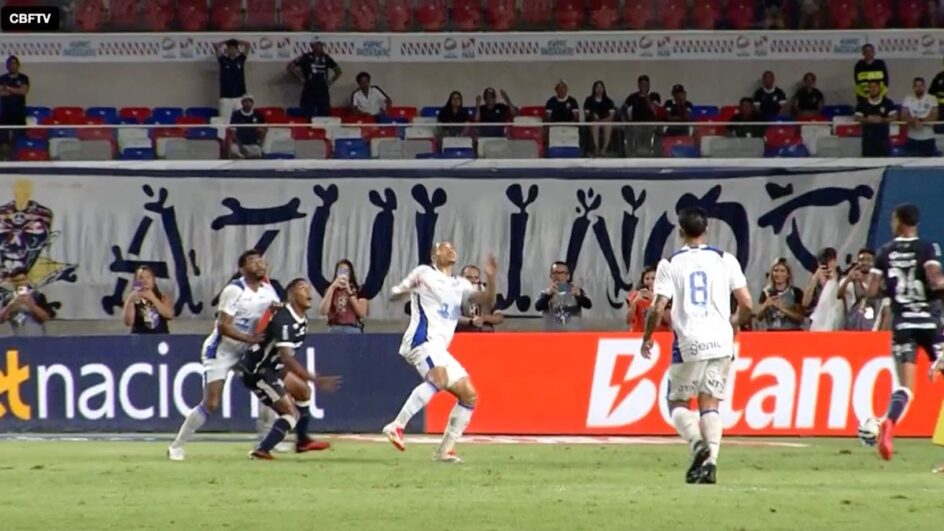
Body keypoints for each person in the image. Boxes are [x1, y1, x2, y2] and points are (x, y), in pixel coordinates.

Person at [641, 207, 754, 485]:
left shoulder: (670, 263)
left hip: (690, 340)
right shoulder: (725, 259)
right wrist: (735, 322)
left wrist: (648, 336)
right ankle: (711, 463)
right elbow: (748, 304)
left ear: (680, 232)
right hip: (721, 341)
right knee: (710, 404)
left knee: (677, 401)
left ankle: (696, 444)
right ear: (707, 230)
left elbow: (657, 308)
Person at [382, 243, 498, 463]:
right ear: (434, 255)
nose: (451, 250)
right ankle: (396, 426)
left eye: (453, 248)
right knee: (440, 378)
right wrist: (406, 289)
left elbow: (487, 301)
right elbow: (394, 296)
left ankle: (444, 450)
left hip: (439, 348)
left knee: (469, 395)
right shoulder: (424, 273)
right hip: (422, 340)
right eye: (444, 248)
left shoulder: (459, 284)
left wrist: (491, 278)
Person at [168, 249, 280, 461]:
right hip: (222, 350)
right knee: (211, 403)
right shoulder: (234, 290)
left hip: (247, 350)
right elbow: (223, 327)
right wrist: (251, 339)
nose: (259, 264)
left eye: (260, 261)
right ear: (242, 268)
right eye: (252, 261)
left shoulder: (268, 290)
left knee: (268, 388)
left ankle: (266, 441)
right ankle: (177, 445)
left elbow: (275, 313)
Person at [866, 204, 944, 462]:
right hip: (931, 324)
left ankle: (889, 422)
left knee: (907, 388)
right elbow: (935, 281)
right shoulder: (927, 248)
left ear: (899, 222)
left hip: (902, 325)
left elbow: (871, 291)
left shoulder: (884, 252)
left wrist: (893, 289)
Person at [240, 278, 341, 459]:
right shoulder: (284, 319)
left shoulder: (302, 319)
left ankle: (302, 442)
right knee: (290, 414)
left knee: (303, 391)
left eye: (309, 288)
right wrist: (314, 379)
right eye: (302, 288)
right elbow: (287, 359)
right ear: (292, 295)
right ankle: (261, 450)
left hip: (273, 367)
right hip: (258, 371)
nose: (308, 292)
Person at [287, 40, 342, 119]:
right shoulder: (305, 57)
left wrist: (331, 81)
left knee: (324, 111)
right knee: (307, 111)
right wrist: (300, 79)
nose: (319, 47)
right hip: (309, 88)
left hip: (322, 89)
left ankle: (323, 129)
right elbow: (290, 67)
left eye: (321, 45)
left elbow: (338, 71)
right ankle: (308, 129)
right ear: (312, 46)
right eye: (317, 45)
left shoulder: (326, 58)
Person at [535, 261, 592, 331]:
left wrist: (579, 296)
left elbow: (588, 305)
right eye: (555, 273)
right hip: (552, 333)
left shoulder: (576, 290)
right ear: (550, 275)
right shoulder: (546, 292)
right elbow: (538, 307)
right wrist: (548, 296)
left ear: (568, 276)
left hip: (573, 332)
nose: (558, 276)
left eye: (561, 273)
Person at [0, 267, 53, 336]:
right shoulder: (8, 298)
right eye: (16, 281)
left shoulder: (37, 296)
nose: (20, 283)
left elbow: (46, 318)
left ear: (27, 280)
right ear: (12, 282)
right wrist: (10, 306)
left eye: (23, 280)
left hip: (37, 339)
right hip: (17, 339)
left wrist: (31, 305)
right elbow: (1, 320)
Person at [318, 259, 368, 333]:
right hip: (335, 327)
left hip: (352, 328)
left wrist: (349, 291)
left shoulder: (359, 290)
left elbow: (362, 313)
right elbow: (323, 311)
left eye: (346, 271)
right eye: (340, 271)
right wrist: (332, 287)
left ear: (350, 274)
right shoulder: (331, 289)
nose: (343, 274)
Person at [837, 248, 880, 331]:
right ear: (857, 262)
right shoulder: (849, 281)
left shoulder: (877, 283)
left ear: (874, 263)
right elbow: (839, 295)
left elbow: (873, 298)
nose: (865, 263)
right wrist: (848, 279)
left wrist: (860, 282)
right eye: (861, 260)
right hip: (851, 326)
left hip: (871, 327)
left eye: (869, 260)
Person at [121, 265, 174, 334]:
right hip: (139, 338)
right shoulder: (131, 299)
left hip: (160, 337)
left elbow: (169, 315)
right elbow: (128, 322)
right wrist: (130, 302)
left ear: (153, 280)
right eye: (141, 277)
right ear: (136, 282)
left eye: (148, 277)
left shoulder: (163, 297)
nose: (145, 280)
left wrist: (153, 298)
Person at [755, 258, 804, 331]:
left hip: (792, 333)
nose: (779, 274)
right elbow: (758, 317)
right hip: (772, 333)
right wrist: (765, 306)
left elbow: (800, 318)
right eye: (776, 270)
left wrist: (782, 308)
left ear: (788, 274)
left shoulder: (796, 292)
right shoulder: (765, 292)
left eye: (782, 271)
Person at [802, 247, 845, 331]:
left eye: (829, 260)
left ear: (835, 261)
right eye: (823, 261)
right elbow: (805, 303)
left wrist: (834, 280)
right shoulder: (815, 280)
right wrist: (815, 278)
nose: (827, 264)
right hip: (818, 324)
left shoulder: (842, 278)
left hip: (837, 323)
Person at [854, 80, 896, 158]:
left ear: (879, 88)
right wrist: (867, 120)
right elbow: (857, 117)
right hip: (868, 142)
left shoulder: (887, 102)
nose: (873, 89)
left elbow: (894, 116)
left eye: (875, 86)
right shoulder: (862, 104)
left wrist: (882, 120)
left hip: (883, 142)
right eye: (871, 87)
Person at [455, 265, 504, 332]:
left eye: (476, 277)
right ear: (461, 277)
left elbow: (499, 318)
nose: (473, 280)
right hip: (463, 335)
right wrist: (471, 321)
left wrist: (485, 318)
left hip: (485, 335)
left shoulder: (487, 292)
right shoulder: (454, 293)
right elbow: (452, 317)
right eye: (469, 277)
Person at [623, 74, 662, 157]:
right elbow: (623, 110)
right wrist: (627, 123)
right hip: (636, 124)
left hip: (650, 124)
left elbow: (653, 109)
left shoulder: (654, 96)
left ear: (649, 85)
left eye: (646, 84)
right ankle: (636, 153)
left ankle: (648, 153)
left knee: (651, 132)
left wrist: (646, 96)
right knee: (634, 133)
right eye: (642, 84)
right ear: (638, 85)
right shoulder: (632, 97)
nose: (644, 86)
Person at [900, 77, 939, 157]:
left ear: (924, 87)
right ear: (913, 87)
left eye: (921, 86)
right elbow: (903, 116)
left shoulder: (932, 98)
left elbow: (934, 116)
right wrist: (913, 121)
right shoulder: (907, 99)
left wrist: (920, 120)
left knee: (929, 166)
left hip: (928, 138)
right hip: (912, 139)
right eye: (916, 86)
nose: (919, 88)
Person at [0, 56, 30, 158]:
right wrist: (15, 90)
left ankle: (18, 159)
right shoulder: (2, 78)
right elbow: (2, 93)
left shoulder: (23, 78)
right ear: (7, 66)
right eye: (10, 64)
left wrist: (7, 88)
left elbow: (23, 91)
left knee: (19, 139)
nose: (12, 66)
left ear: (18, 65)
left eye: (14, 63)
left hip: (19, 114)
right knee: (3, 140)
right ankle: (4, 159)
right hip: (5, 114)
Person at [215, 39, 250, 124]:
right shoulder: (223, 60)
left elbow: (248, 45)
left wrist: (236, 41)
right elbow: (216, 46)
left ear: (237, 49)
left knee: (241, 120)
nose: (232, 50)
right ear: (227, 50)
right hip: (226, 97)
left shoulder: (240, 60)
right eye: (230, 48)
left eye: (234, 48)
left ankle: (240, 137)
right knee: (225, 121)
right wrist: (226, 41)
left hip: (239, 96)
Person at [626, 266, 669, 333]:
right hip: (639, 334)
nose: (650, 281)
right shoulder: (635, 295)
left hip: (661, 336)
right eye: (647, 279)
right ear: (643, 280)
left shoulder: (666, 294)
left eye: (653, 278)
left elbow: (667, 320)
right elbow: (628, 320)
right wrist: (634, 302)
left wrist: (654, 300)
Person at [583, 80, 616, 156]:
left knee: (608, 125)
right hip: (593, 122)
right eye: (597, 87)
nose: (599, 89)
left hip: (605, 121)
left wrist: (602, 120)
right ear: (594, 89)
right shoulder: (589, 100)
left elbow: (611, 116)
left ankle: (604, 148)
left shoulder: (608, 101)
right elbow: (587, 114)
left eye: (601, 87)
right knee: (595, 125)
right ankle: (596, 148)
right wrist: (594, 118)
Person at [228, 94, 265, 159]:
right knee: (234, 151)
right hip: (239, 144)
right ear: (242, 103)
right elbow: (232, 132)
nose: (247, 103)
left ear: (252, 103)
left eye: (249, 101)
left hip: (253, 144)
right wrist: (240, 145)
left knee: (258, 152)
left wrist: (260, 142)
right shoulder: (236, 114)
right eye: (245, 101)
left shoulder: (257, 114)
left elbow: (264, 128)